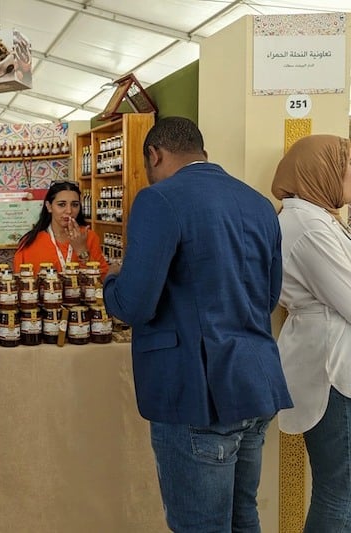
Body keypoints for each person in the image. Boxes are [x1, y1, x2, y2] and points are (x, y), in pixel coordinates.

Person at [102, 116, 292, 532]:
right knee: (244, 517)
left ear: (155, 154)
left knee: (200, 526)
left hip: (196, 391)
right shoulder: (258, 203)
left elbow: (134, 305)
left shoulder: (159, 200)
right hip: (255, 383)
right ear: (201, 151)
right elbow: (268, 296)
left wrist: (112, 279)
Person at [271, 134, 351, 532]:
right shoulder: (308, 226)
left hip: (330, 361)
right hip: (331, 370)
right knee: (340, 491)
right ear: (324, 172)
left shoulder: (319, 218)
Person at [12, 181, 108, 277]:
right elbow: (20, 281)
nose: (69, 211)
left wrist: (82, 251)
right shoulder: (30, 242)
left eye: (75, 205)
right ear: (49, 206)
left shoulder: (88, 236)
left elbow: (103, 279)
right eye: (61, 205)